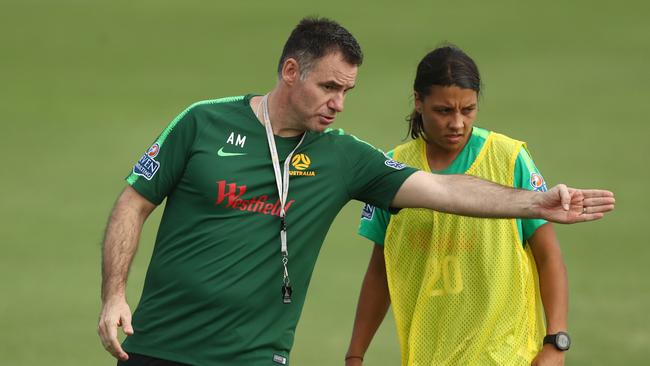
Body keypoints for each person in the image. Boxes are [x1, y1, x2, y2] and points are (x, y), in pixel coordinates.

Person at [97, 18, 614, 366]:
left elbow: (445, 190)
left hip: (253, 355)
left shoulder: (343, 156)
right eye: (329, 87)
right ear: (291, 71)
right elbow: (133, 201)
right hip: (157, 345)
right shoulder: (202, 122)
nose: (339, 104)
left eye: (347, 91)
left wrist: (533, 202)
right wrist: (114, 293)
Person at [346, 46, 575, 366]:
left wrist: (555, 342)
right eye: (443, 111)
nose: (457, 123)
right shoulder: (394, 168)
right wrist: (355, 354)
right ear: (418, 101)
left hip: (505, 353)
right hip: (427, 355)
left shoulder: (509, 159)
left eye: (468, 110)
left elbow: (549, 255)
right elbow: (380, 269)